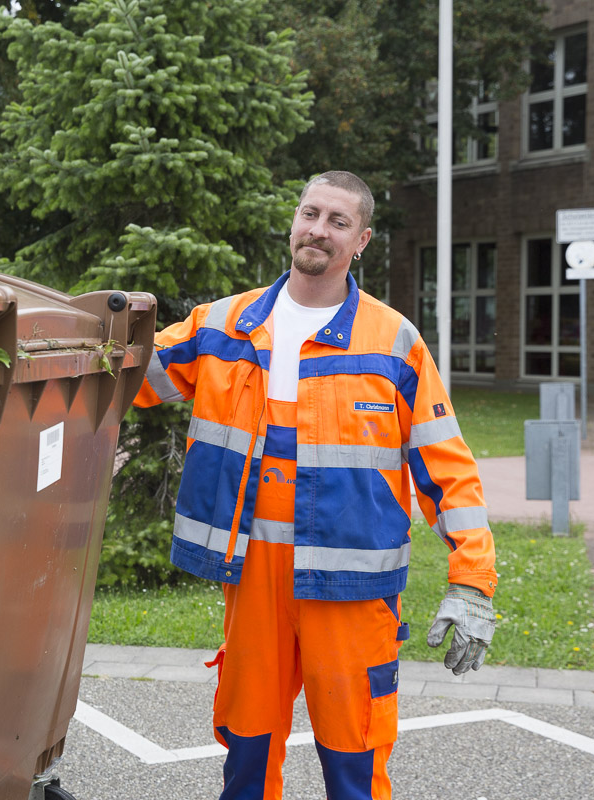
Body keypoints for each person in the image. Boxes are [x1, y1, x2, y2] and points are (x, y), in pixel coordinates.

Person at [132, 170, 497, 800]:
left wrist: (473, 582)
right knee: (246, 752)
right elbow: (122, 380)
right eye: (310, 213)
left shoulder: (394, 343)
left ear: (362, 240)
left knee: (354, 760)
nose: (317, 230)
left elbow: (446, 469)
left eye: (337, 221)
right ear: (294, 220)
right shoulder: (223, 325)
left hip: (352, 589)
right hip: (255, 580)